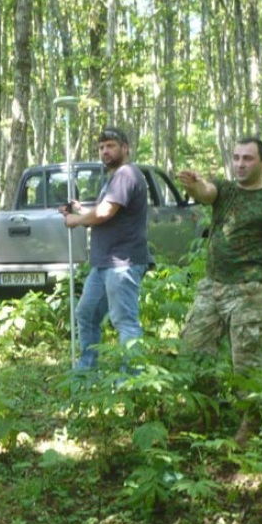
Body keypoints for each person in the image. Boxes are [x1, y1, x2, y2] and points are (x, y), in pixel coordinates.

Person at [177, 136, 262, 441]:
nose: (240, 164)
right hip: (212, 288)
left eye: (248, 158)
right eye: (236, 158)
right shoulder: (226, 190)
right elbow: (207, 192)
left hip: (250, 290)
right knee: (192, 353)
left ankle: (252, 428)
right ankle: (208, 414)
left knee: (247, 363)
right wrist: (194, 185)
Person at [60, 127, 151, 372]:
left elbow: (104, 213)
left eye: (110, 145)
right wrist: (80, 210)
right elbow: (104, 210)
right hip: (104, 264)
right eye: (101, 147)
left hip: (123, 263)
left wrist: (74, 220)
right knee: (87, 313)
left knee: (125, 322)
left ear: (125, 148)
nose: (105, 151)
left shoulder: (126, 174)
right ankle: (86, 370)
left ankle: (132, 380)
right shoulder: (114, 179)